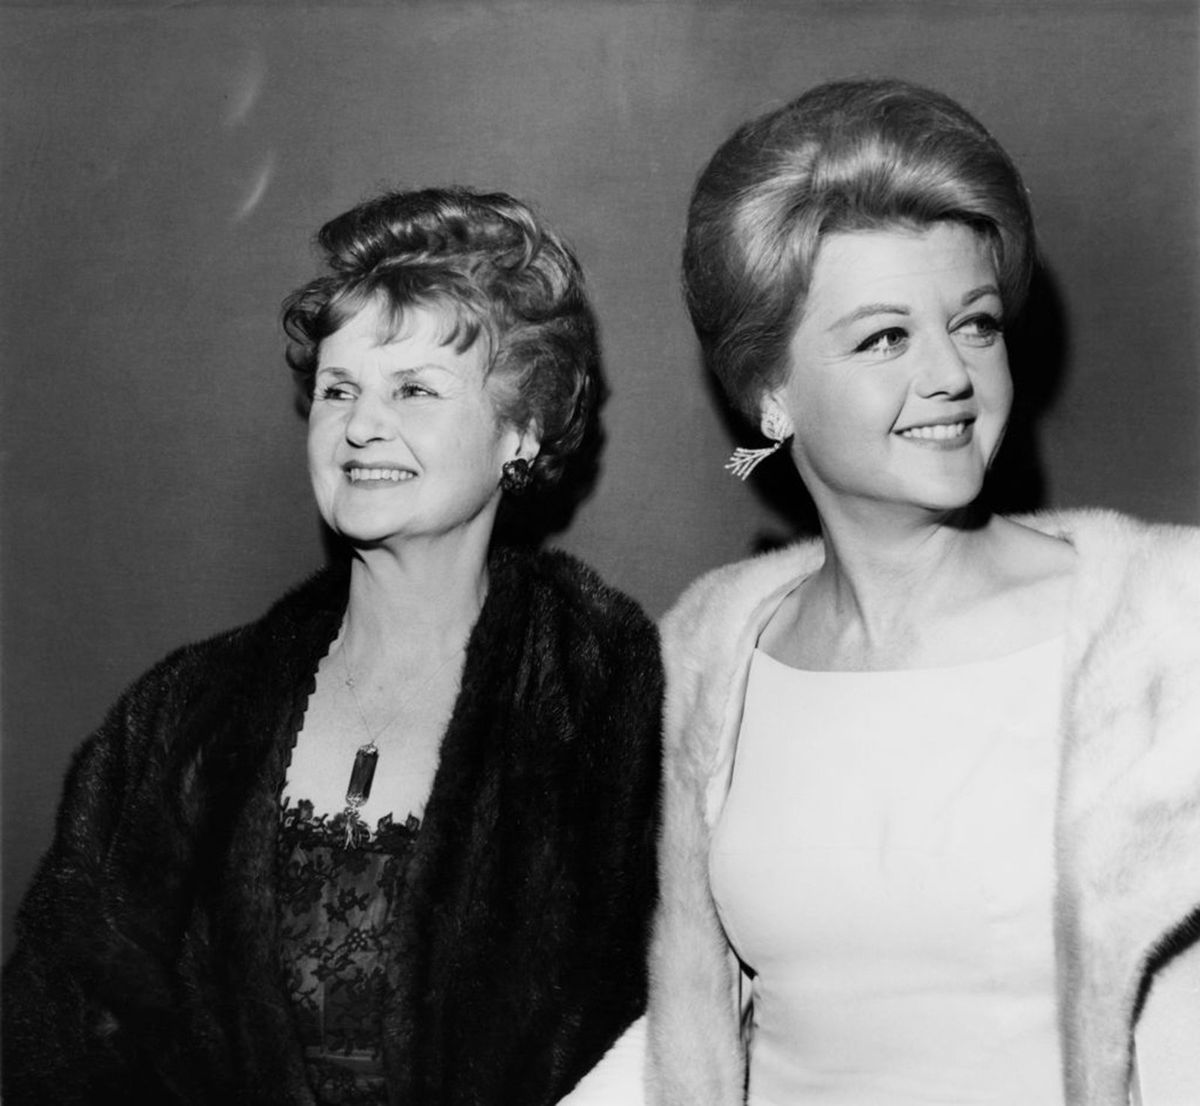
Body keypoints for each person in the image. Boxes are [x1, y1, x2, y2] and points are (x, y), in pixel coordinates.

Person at [3, 187, 662, 1105]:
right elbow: (57, 1031)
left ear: (522, 429)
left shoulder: (617, 720)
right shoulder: (181, 718)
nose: (360, 426)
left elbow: (679, 1036)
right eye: (338, 389)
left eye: (415, 391)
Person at [646, 79, 1200, 1106]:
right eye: (884, 337)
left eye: (975, 323)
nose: (951, 374)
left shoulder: (1167, 625)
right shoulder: (714, 650)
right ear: (769, 390)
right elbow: (689, 1033)